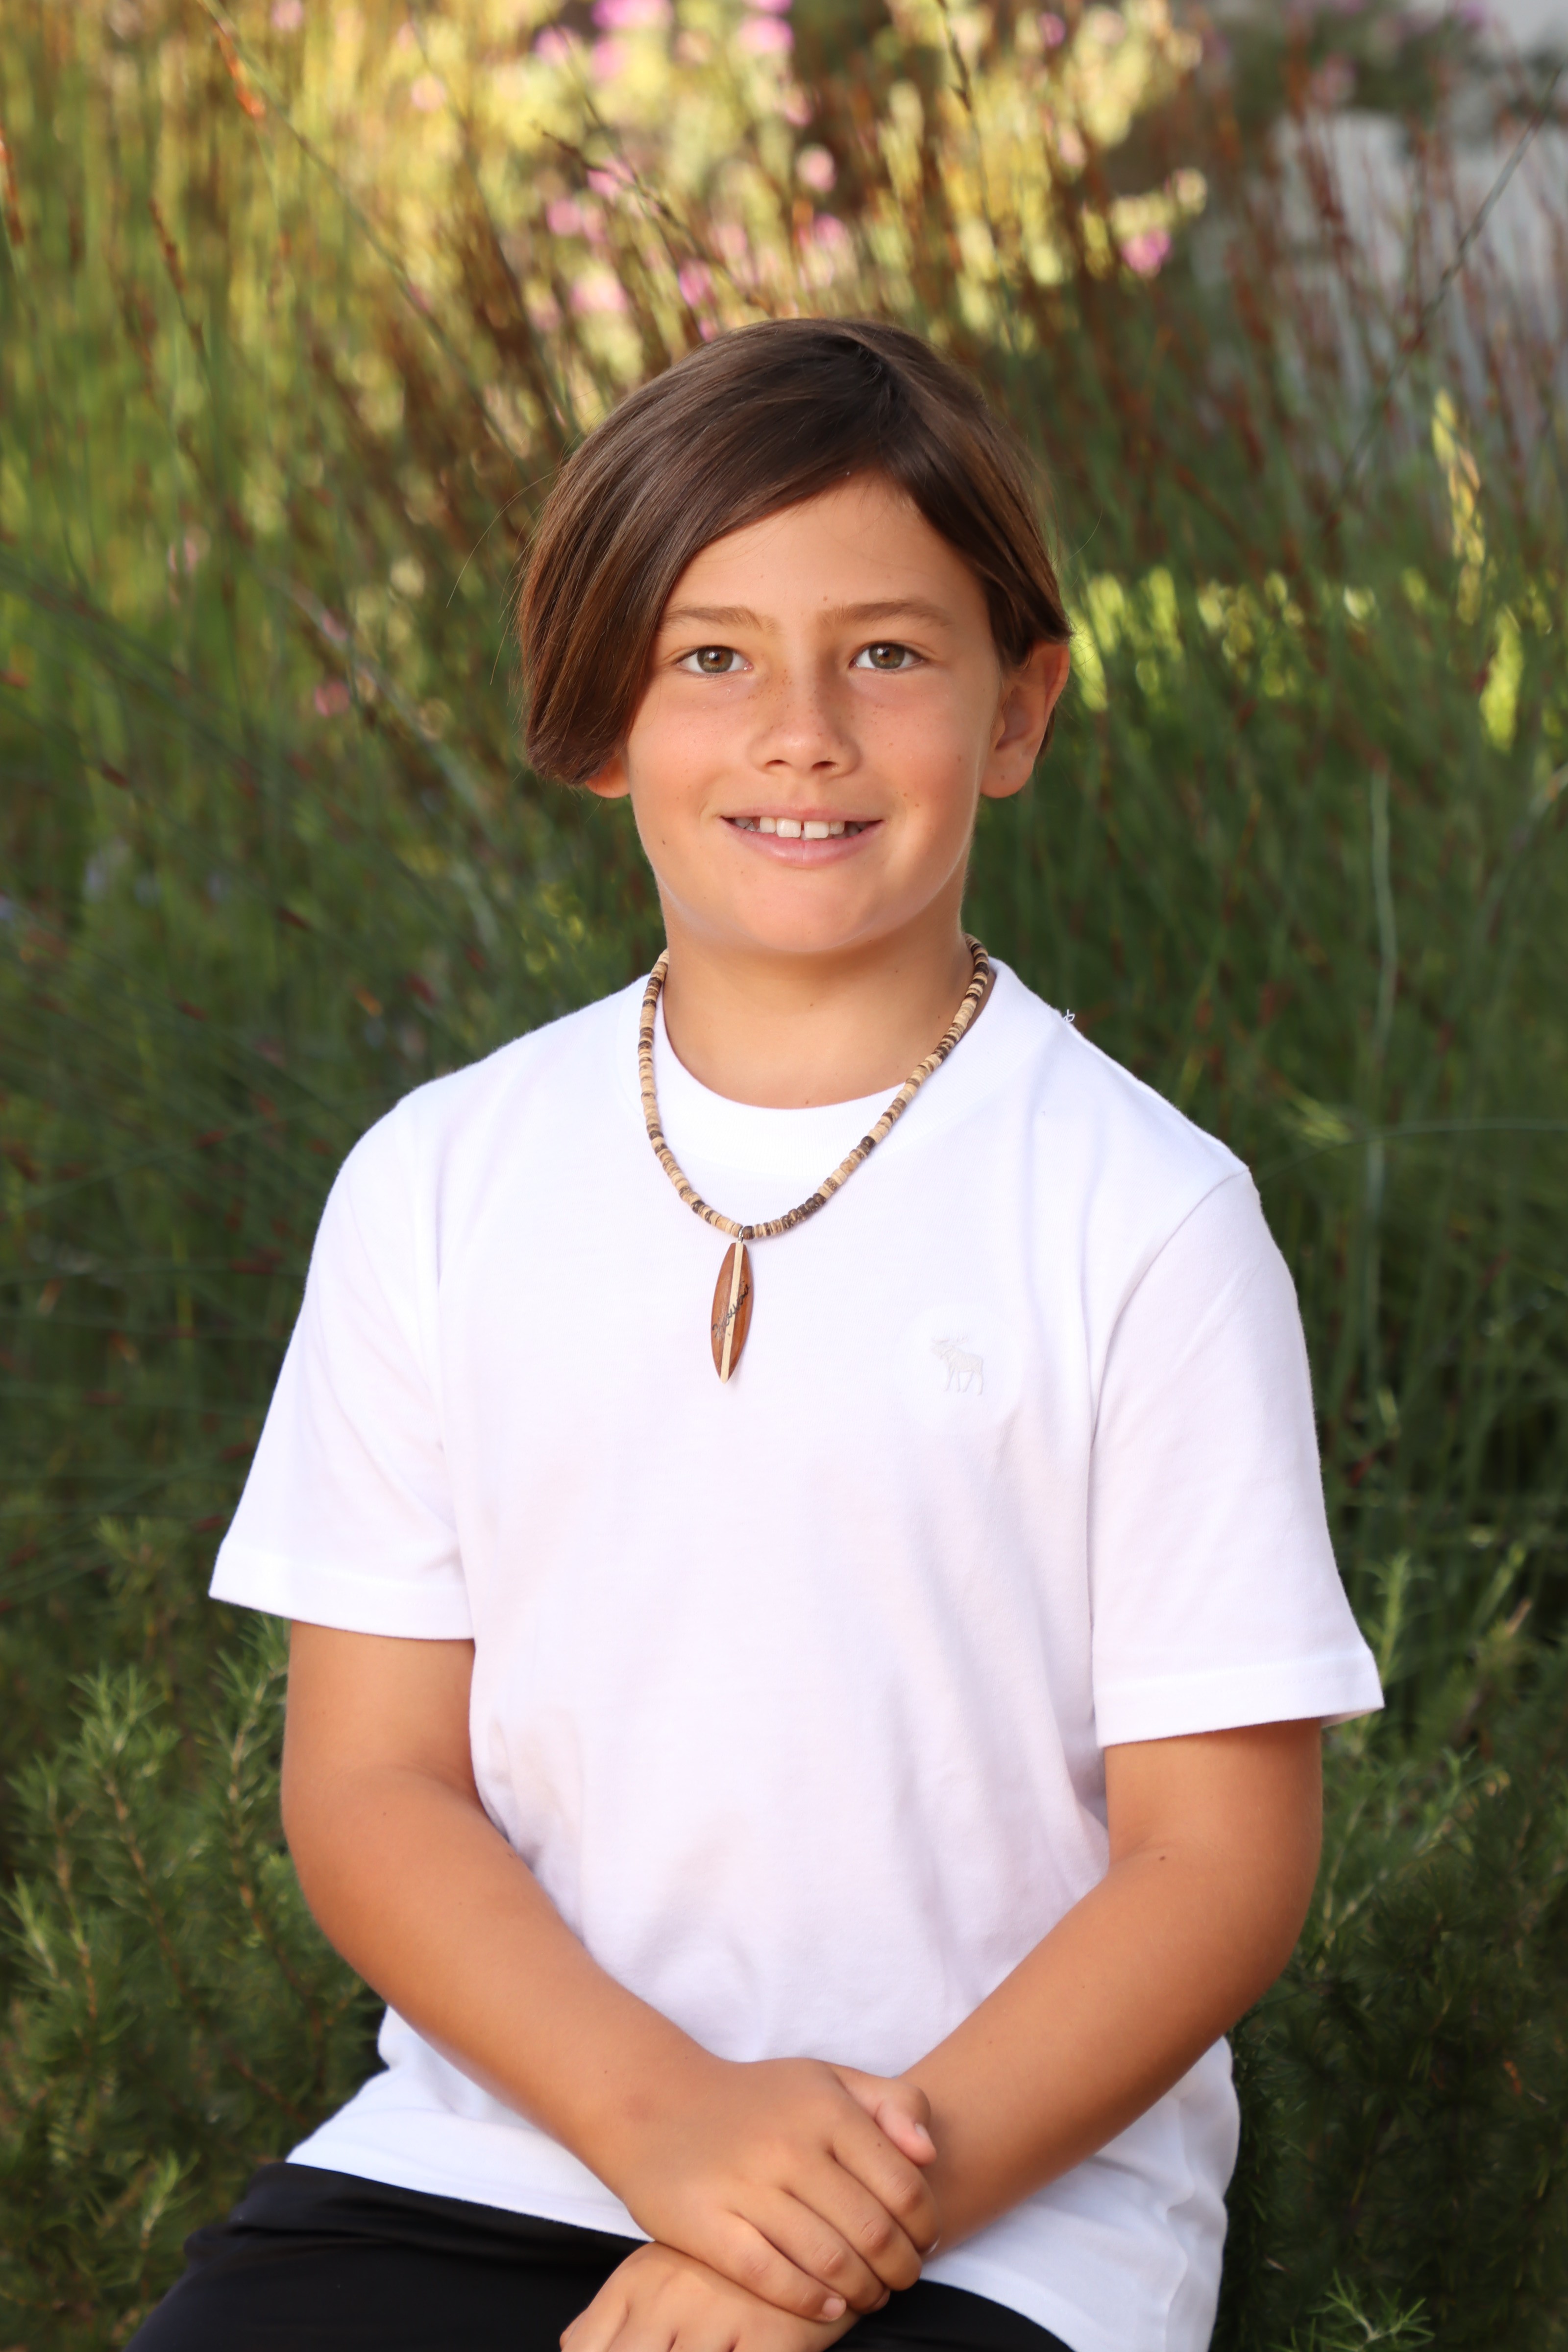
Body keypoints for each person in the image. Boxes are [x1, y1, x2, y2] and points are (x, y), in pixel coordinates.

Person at [130, 318, 1381, 2352]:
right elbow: (370, 1785)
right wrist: (673, 2135)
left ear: (1017, 708)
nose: (799, 731)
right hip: (509, 2143)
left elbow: (1215, 1861)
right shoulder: (439, 1178)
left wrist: (818, 2224)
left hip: (999, 2197)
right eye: (710, 656)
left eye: (884, 653)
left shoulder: (1145, 1216)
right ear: (603, 714)